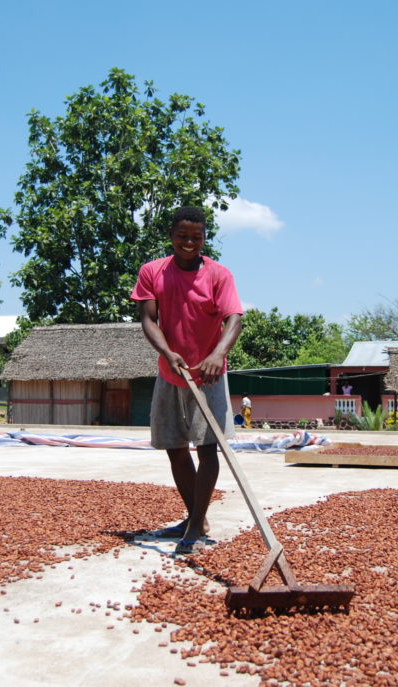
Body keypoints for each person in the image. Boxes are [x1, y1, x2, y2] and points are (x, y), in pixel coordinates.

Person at [130, 206, 243, 554]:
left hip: (208, 376)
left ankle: (194, 525)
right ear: (171, 235)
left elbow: (234, 318)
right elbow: (149, 319)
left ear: (204, 238)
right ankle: (197, 517)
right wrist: (167, 353)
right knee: (175, 449)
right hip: (170, 372)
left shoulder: (219, 275)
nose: (189, 243)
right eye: (182, 236)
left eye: (196, 237)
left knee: (208, 449)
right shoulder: (153, 272)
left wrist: (217, 354)